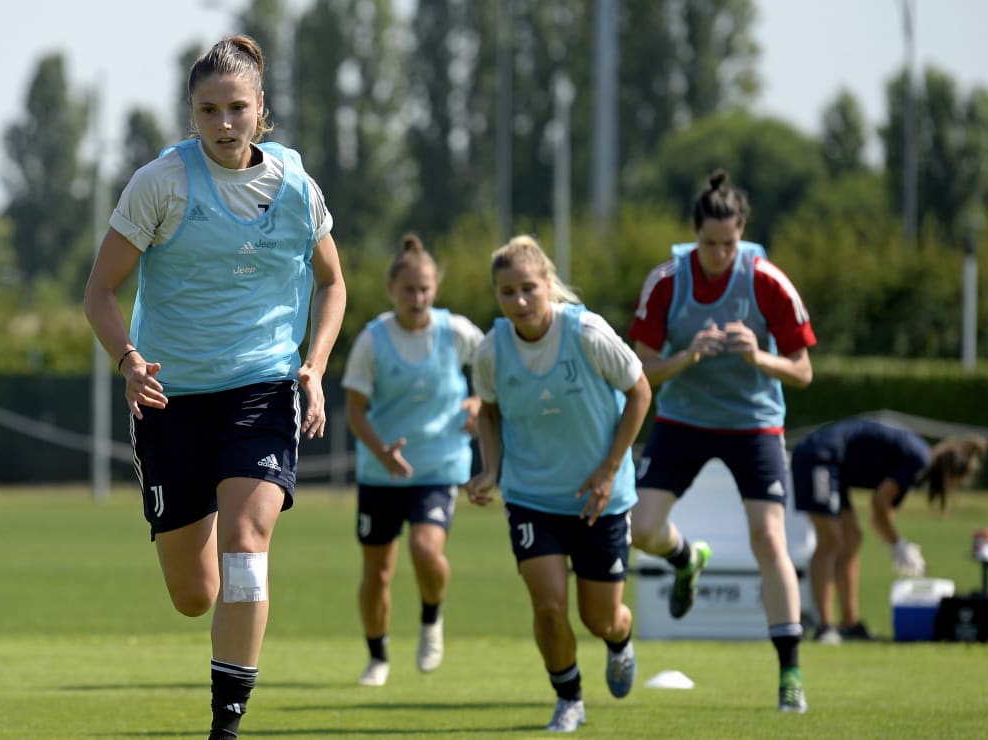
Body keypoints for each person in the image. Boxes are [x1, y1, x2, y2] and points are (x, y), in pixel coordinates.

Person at [82, 35, 346, 740]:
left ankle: (225, 726)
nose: (224, 123)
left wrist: (313, 365)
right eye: (209, 110)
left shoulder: (295, 186)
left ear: (262, 110)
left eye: (237, 108)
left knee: (247, 544)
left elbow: (332, 281)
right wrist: (128, 359)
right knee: (194, 594)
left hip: (262, 387)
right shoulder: (161, 183)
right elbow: (101, 292)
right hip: (170, 397)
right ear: (191, 114)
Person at [627, 169, 816, 713]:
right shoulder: (667, 280)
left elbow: (803, 372)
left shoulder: (767, 281)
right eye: (708, 244)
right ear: (693, 234)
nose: (718, 254)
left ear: (743, 234)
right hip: (684, 421)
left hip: (754, 423)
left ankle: (790, 675)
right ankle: (687, 559)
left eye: (728, 244)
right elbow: (642, 370)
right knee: (640, 528)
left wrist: (757, 357)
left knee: (768, 538)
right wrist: (688, 356)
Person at [464, 235, 652, 733]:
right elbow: (489, 411)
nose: (519, 301)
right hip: (531, 498)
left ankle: (620, 639)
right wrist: (490, 469)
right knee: (548, 609)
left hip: (599, 498)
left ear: (549, 285)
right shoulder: (491, 350)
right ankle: (569, 698)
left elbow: (639, 392)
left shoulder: (587, 332)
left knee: (600, 618)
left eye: (529, 288)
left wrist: (611, 468)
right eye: (507, 292)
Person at [341, 233, 484, 687]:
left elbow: (498, 366)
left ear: (435, 288)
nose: (417, 298)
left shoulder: (457, 332)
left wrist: (480, 401)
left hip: (438, 464)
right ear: (392, 291)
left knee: (426, 550)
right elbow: (354, 410)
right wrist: (381, 451)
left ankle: (431, 619)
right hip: (380, 471)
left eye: (424, 289)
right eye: (408, 290)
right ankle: (377, 657)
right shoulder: (372, 340)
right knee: (377, 573)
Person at [790, 418, 987, 644]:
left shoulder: (917, 459)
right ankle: (824, 626)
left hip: (836, 467)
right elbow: (879, 504)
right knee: (831, 541)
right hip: (820, 457)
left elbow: (881, 515)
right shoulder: (919, 460)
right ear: (950, 473)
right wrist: (898, 545)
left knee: (852, 538)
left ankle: (850, 623)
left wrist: (897, 544)